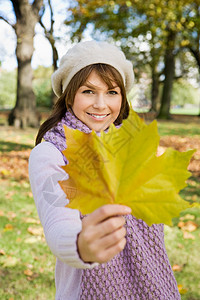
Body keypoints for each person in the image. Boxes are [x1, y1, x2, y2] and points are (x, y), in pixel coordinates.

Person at [29, 40, 181, 300]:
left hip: (156, 288)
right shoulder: (52, 153)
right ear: (69, 96)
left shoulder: (136, 148)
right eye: (88, 91)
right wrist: (80, 246)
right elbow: (57, 223)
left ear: (122, 98)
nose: (101, 104)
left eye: (112, 92)